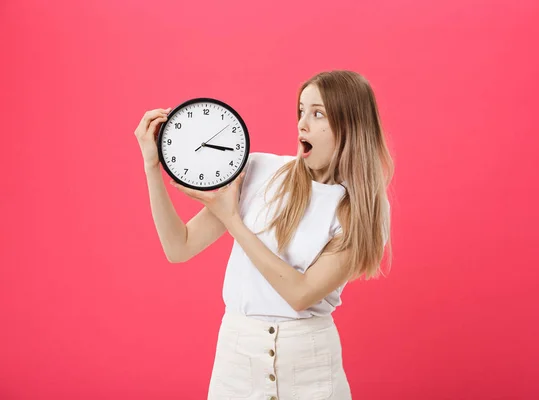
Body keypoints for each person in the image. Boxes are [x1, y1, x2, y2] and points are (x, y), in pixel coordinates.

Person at [134, 70, 394, 400]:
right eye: (301, 110)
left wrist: (232, 219)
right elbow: (179, 247)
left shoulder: (364, 208)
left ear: (351, 125)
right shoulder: (259, 171)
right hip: (236, 364)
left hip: (311, 369)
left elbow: (300, 294)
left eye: (318, 113)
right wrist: (151, 166)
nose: (302, 124)